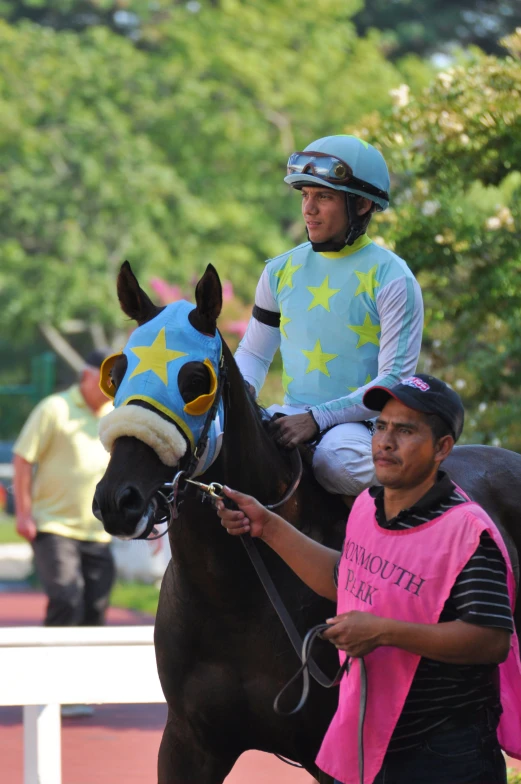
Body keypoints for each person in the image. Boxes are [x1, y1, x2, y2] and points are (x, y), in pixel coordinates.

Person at [216, 373, 521, 784]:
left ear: (442, 448)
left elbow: (490, 639)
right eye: (381, 426)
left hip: (446, 755)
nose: (386, 441)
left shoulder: (467, 531)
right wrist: (266, 525)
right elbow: (348, 578)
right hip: (368, 743)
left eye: (406, 430)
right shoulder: (367, 506)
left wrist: (384, 633)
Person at [235, 134, 424, 497]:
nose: (309, 208)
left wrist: (318, 419)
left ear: (363, 205)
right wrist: (240, 399)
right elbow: (255, 353)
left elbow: (395, 381)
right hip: (290, 413)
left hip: (363, 428)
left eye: (324, 196)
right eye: (305, 195)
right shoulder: (279, 270)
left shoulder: (393, 277)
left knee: (334, 460)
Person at [13, 350, 115, 716]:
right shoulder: (53, 408)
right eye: (105, 379)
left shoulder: (114, 417)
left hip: (99, 532)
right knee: (67, 597)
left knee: (95, 607)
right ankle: (52, 688)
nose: (110, 387)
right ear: (87, 376)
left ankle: (78, 688)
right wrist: (24, 513)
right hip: (53, 525)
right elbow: (23, 459)